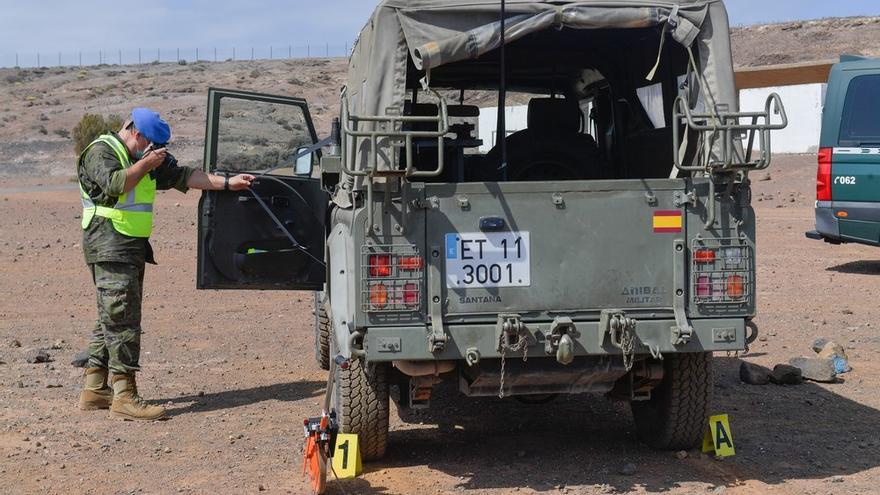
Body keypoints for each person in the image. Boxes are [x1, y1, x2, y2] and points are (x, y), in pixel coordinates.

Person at [76, 108, 253, 420]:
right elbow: (116, 183)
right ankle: (125, 395)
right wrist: (147, 163)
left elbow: (184, 176)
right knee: (123, 319)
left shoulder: (147, 158)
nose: (152, 151)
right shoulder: (101, 151)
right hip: (108, 244)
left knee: (113, 314)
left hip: (129, 245)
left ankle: (94, 388)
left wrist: (228, 183)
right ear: (135, 131)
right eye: (150, 144)